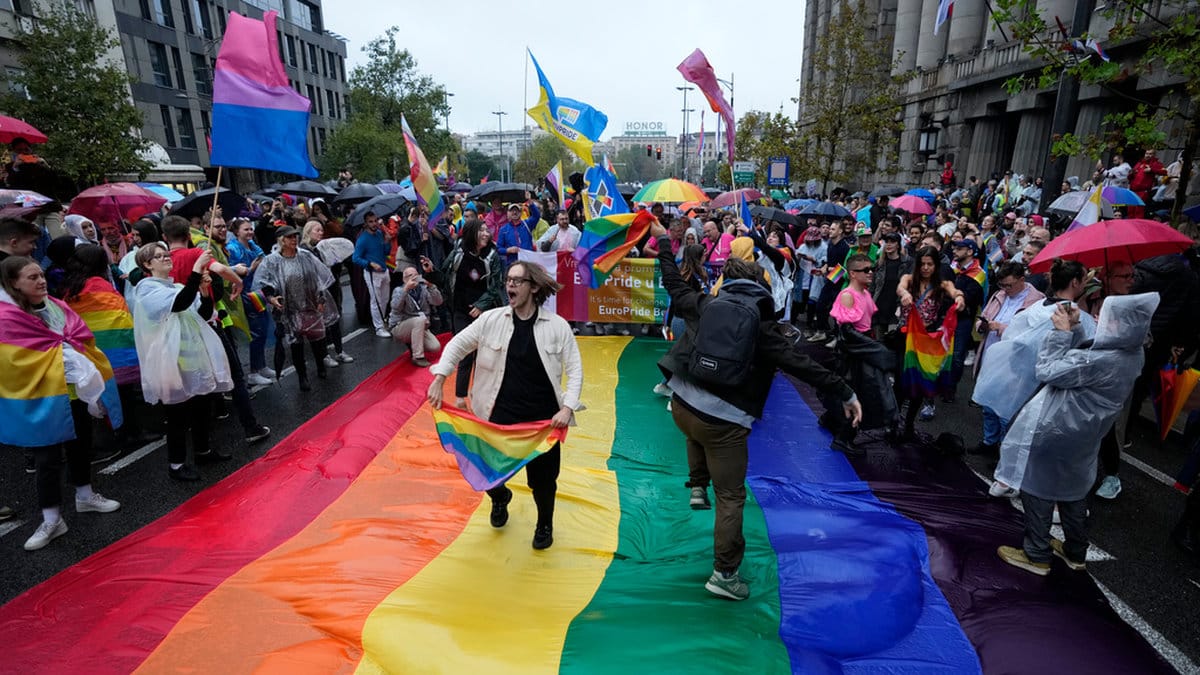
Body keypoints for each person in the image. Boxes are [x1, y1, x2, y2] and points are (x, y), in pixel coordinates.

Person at [653, 227, 861, 601]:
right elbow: (801, 364)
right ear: (763, 291)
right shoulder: (763, 330)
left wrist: (665, 243)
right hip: (722, 424)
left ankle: (698, 484)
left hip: (681, 407)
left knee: (695, 430)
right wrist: (844, 391)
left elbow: (672, 281)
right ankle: (725, 574)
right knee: (731, 497)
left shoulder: (704, 305)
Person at [996, 293, 1159, 576]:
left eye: (1106, 318)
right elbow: (1089, 353)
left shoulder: (1103, 360)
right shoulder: (1133, 353)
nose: (1099, 320)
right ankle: (1075, 550)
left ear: (1123, 326)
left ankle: (1036, 554)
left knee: (1037, 486)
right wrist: (1078, 328)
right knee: (1072, 488)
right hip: (1086, 433)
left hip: (1058, 429)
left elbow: (1048, 370)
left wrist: (1060, 333)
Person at [426, 261, 582, 551]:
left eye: (517, 281)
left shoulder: (557, 327)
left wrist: (567, 408)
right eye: (508, 279)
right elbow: (458, 345)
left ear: (533, 287)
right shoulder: (491, 320)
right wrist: (440, 377)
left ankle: (544, 524)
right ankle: (500, 498)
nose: (510, 284)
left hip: (542, 423)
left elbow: (575, 370)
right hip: (496, 418)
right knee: (486, 471)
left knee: (543, 481)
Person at [0, 256, 123, 551]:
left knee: (81, 445)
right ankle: (51, 518)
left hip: (73, 392)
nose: (41, 281)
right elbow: (11, 361)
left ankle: (85, 495)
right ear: (13, 283)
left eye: (41, 275)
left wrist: (69, 352)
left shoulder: (57, 306)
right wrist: (56, 352)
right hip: (42, 396)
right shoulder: (7, 318)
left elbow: (81, 335)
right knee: (47, 458)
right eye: (32, 278)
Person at [980, 259, 1097, 497]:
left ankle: (1006, 479)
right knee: (1040, 439)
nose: (1087, 282)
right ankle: (1030, 485)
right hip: (1054, 386)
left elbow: (1012, 338)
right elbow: (1088, 357)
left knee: (1016, 429)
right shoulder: (1077, 317)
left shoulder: (1036, 308)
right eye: (1084, 278)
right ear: (1075, 282)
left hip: (1021, 380)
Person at [131, 243, 234, 481]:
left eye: (166, 254)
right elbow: (179, 304)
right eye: (159, 256)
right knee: (177, 414)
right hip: (169, 362)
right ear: (147, 264)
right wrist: (196, 270)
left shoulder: (177, 286)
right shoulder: (146, 290)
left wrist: (205, 292)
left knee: (201, 406)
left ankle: (202, 451)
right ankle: (176, 464)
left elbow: (203, 314)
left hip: (192, 358)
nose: (166, 258)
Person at [427, 218, 504, 410]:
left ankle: (478, 393)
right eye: (481, 230)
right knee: (465, 352)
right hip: (460, 310)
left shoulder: (492, 255)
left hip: (485, 312)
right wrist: (431, 272)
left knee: (485, 355)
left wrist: (481, 305)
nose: (486, 234)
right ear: (471, 234)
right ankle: (460, 397)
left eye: (487, 230)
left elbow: (495, 287)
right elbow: (444, 279)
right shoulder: (458, 252)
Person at [970, 261, 1044, 456]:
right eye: (1001, 285)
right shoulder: (999, 294)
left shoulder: (1037, 301)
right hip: (990, 355)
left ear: (1022, 279)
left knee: (1006, 410)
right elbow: (983, 316)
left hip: (1015, 362)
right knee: (987, 402)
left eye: (1009, 285)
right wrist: (982, 325)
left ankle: (1005, 450)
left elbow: (1034, 334)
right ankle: (989, 441)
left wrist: (1002, 328)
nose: (1005, 289)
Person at [255, 225, 336, 392]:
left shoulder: (305, 256)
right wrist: (271, 299)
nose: (294, 239)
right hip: (289, 309)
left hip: (310, 306)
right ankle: (302, 377)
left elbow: (318, 279)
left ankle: (320, 366)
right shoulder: (271, 261)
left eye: (295, 236)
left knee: (317, 340)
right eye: (290, 237)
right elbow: (264, 283)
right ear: (281, 240)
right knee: (296, 344)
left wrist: (321, 299)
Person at [895, 247, 966, 432]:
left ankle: (909, 424)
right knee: (902, 381)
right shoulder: (909, 280)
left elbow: (955, 291)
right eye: (922, 264)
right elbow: (900, 287)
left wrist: (959, 299)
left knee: (921, 383)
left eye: (930, 264)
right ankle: (894, 422)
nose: (925, 268)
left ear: (936, 266)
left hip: (925, 341)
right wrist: (905, 294)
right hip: (905, 338)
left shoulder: (942, 284)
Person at [301, 219, 354, 368]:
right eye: (317, 230)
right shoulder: (303, 251)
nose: (321, 233)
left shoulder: (318, 248)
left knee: (334, 319)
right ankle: (324, 355)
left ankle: (339, 351)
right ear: (308, 232)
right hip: (314, 293)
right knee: (320, 324)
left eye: (321, 230)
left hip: (326, 290)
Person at [226, 217, 273, 386]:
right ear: (236, 232)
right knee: (256, 330)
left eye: (251, 229)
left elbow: (264, 261)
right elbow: (233, 274)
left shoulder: (253, 245)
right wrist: (251, 268)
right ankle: (253, 371)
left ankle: (261, 365)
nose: (250, 232)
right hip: (246, 293)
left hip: (258, 291)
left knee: (263, 328)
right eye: (246, 229)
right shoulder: (232, 249)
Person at [389, 262, 443, 367]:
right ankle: (418, 357)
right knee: (419, 320)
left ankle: (413, 344)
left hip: (420, 326)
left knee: (435, 347)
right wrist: (406, 289)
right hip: (400, 325)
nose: (414, 277)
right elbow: (395, 307)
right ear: (404, 279)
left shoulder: (423, 289)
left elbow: (438, 302)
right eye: (410, 275)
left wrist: (431, 286)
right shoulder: (399, 290)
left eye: (416, 275)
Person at [351, 211, 393, 338]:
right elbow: (355, 258)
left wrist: (387, 241)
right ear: (365, 223)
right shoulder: (363, 239)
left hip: (384, 270)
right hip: (372, 273)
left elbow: (386, 252)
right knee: (376, 301)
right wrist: (370, 264)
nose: (374, 224)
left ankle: (383, 321)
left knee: (385, 299)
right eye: (371, 221)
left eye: (375, 220)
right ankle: (379, 327)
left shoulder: (379, 234)